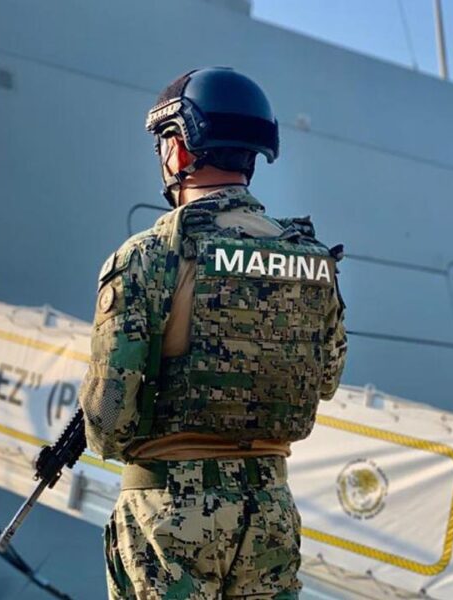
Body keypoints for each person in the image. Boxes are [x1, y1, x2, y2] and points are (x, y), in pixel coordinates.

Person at [79, 67, 347, 599]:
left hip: (171, 514)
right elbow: (326, 380)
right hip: (270, 511)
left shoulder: (150, 256)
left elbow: (109, 418)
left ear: (179, 148)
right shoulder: (313, 259)